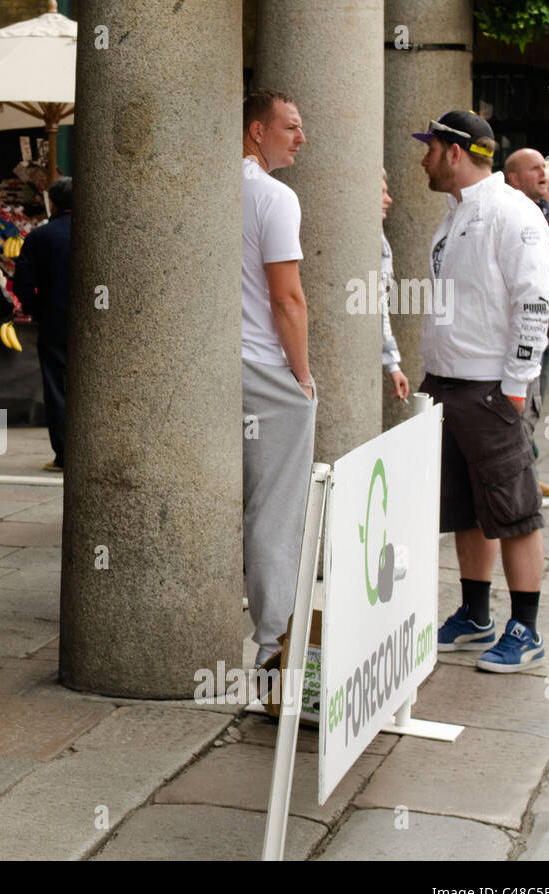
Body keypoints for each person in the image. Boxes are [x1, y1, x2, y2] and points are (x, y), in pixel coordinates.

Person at [413, 110, 549, 672]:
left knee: (513, 509)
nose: (422, 158)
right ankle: (475, 615)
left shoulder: (510, 212)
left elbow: (534, 303)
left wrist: (516, 385)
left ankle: (527, 628)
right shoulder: (452, 216)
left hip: (491, 388)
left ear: (453, 151)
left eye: (429, 148)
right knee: (466, 508)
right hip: (447, 384)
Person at [240, 89, 315, 667]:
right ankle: (273, 647)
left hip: (215, 363)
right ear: (255, 130)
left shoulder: (213, 187)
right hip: (265, 365)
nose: (300, 136)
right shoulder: (274, 196)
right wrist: (303, 378)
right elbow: (287, 297)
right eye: (289, 125)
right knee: (277, 507)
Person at [503, 147, 549, 497]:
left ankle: (528, 473)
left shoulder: (542, 214)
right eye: (535, 168)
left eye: (546, 167)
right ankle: (521, 485)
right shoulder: (512, 214)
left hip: (544, 330)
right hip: (518, 337)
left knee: (534, 409)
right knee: (520, 411)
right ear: (514, 178)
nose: (545, 173)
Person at [13, 176, 73, 471]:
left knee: (56, 386)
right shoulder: (98, 233)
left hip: (53, 321)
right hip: (97, 323)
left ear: (54, 203)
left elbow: (23, 283)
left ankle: (64, 453)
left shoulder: (40, 237)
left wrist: (37, 309)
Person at [379, 169, 410, 403]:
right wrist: (393, 363)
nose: (389, 199)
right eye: (382, 192)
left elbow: (379, 306)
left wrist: (393, 364)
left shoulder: (380, 239)